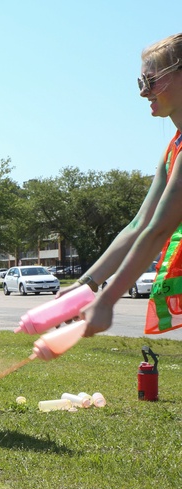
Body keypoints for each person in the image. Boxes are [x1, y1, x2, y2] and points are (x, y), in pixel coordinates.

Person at [81, 34, 182, 339]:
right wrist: (84, 286)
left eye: (151, 81)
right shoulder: (173, 148)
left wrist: (107, 300)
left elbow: (159, 229)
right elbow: (139, 224)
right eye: (141, 82)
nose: (143, 93)